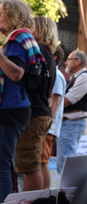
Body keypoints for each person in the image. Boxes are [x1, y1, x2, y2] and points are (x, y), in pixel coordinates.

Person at [0, 0, 37, 201]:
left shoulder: (16, 40)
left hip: (11, 108)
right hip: (15, 107)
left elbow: (16, 74)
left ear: (11, 16)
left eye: (0, 13)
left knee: (2, 163)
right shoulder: (18, 39)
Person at [15, 16, 57, 191]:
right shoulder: (47, 53)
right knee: (37, 162)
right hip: (40, 113)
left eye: (30, 27)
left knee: (30, 166)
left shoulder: (38, 50)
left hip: (35, 113)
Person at [56, 50, 87, 173]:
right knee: (64, 162)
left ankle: (67, 191)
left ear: (78, 61)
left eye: (69, 59)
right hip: (69, 123)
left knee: (66, 163)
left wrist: (50, 105)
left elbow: (68, 100)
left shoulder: (84, 77)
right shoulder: (78, 77)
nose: (66, 62)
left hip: (71, 123)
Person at [41, 46, 65, 188]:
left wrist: (46, 124)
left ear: (54, 56)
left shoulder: (56, 75)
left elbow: (54, 103)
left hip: (48, 127)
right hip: (47, 125)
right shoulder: (52, 73)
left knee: (42, 161)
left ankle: (43, 194)